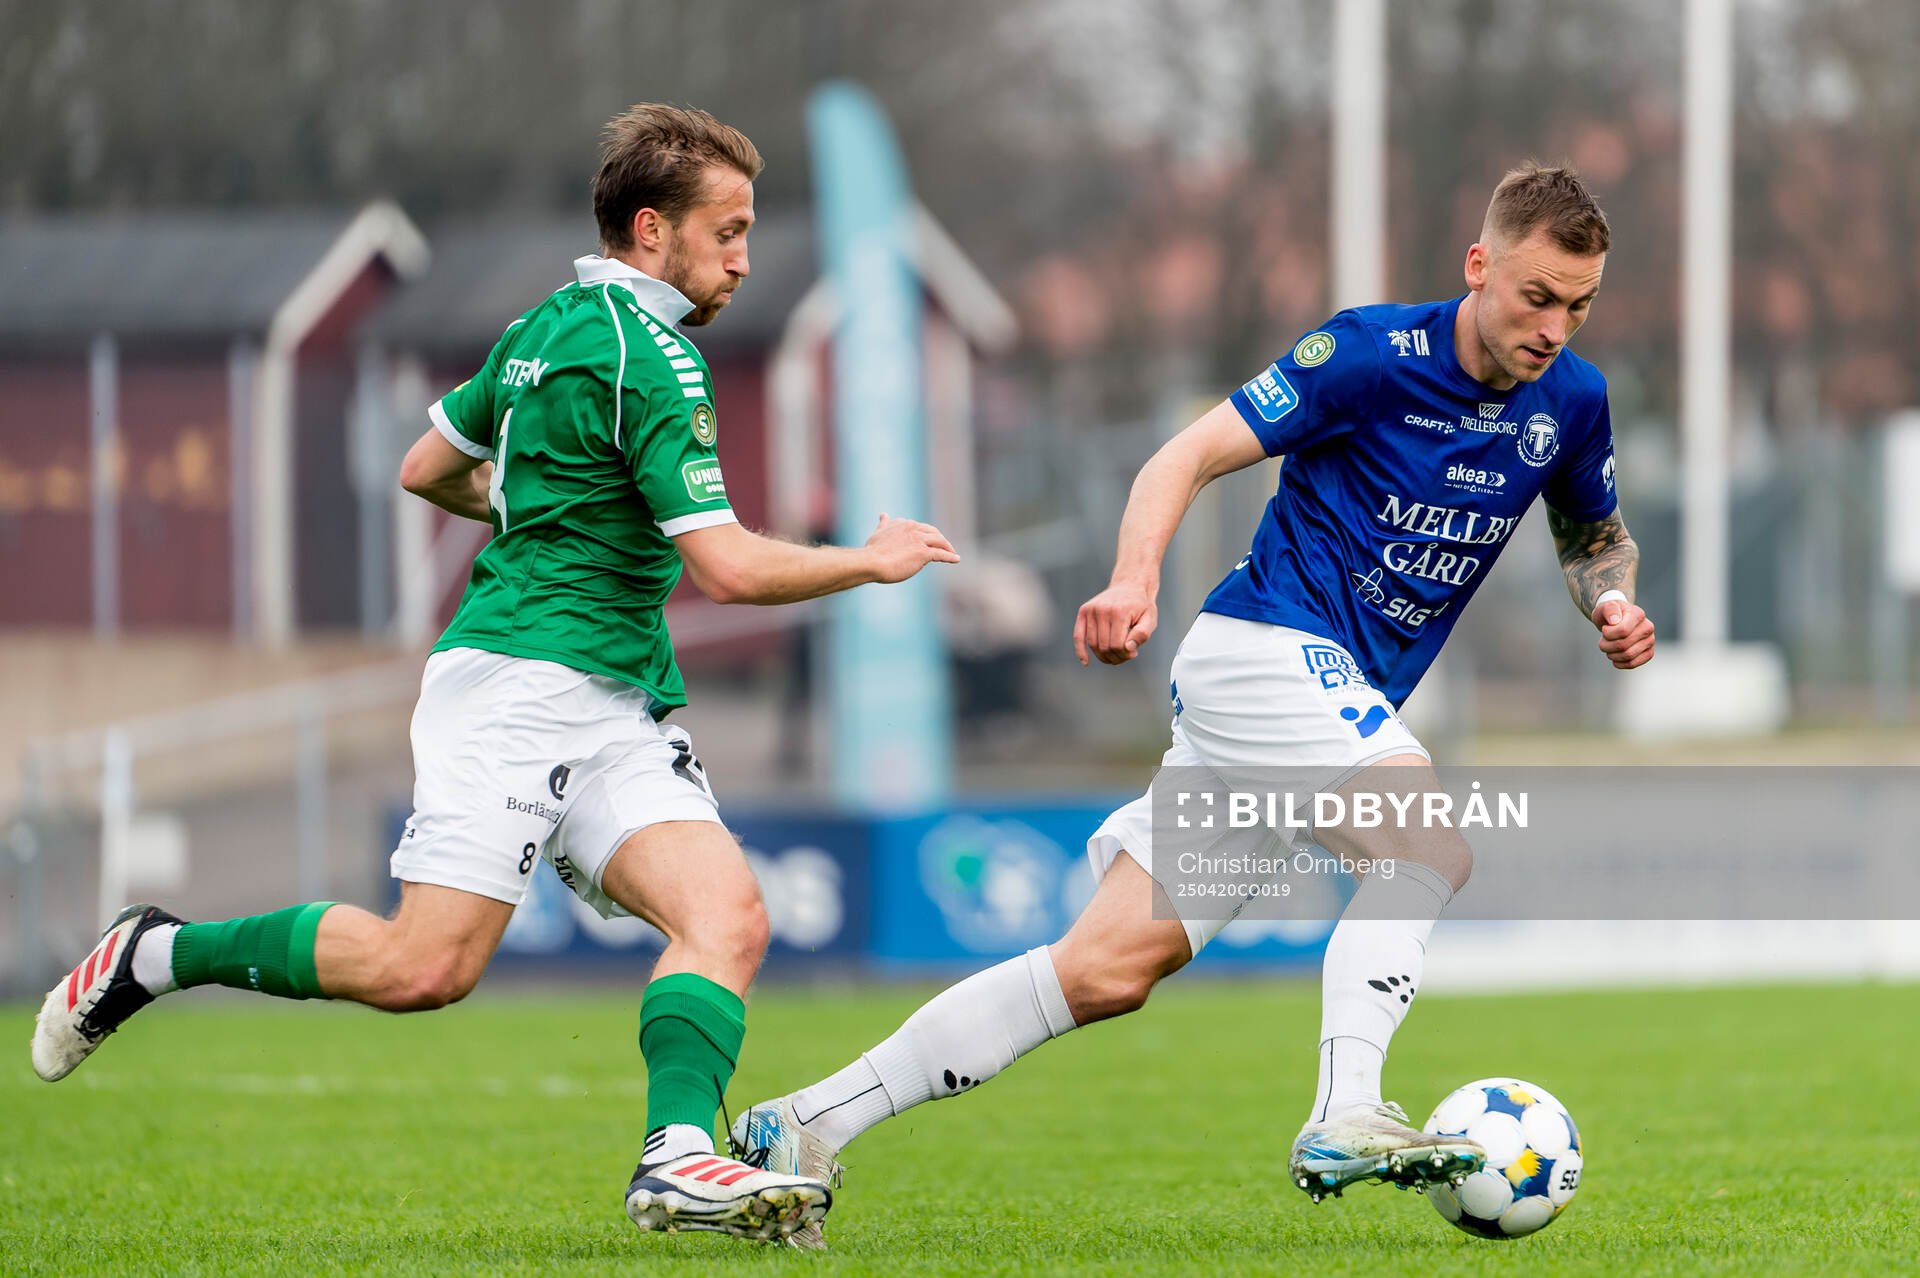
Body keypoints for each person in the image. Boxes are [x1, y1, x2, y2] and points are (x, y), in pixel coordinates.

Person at [31, 103, 959, 1246]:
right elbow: (724, 569)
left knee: (727, 913)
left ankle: (676, 1160)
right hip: (523, 684)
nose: (744, 259)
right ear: (652, 228)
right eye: (729, 231)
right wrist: (865, 561)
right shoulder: (655, 357)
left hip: (610, 693)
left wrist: (539, 511)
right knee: (423, 967)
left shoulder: (550, 321)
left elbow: (431, 465)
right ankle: (153, 952)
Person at [730, 162, 1654, 1247]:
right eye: (1536, 296)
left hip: (1309, 710)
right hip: (1263, 653)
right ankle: (1344, 1111)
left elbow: (1594, 536)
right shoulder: (1366, 354)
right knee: (1429, 844)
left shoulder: (1573, 402)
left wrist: (1615, 601)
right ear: (1479, 265)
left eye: (1578, 306)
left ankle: (801, 1126)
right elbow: (1187, 454)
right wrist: (1132, 580)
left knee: (1106, 970)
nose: (1554, 326)